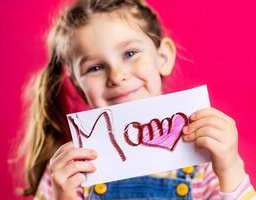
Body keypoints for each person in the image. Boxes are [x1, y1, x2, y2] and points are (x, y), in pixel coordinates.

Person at [17, 0, 256, 199]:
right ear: (79, 87)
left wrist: (230, 167)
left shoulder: (205, 161)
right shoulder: (69, 172)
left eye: (130, 53)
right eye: (95, 67)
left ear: (163, 57)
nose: (117, 76)